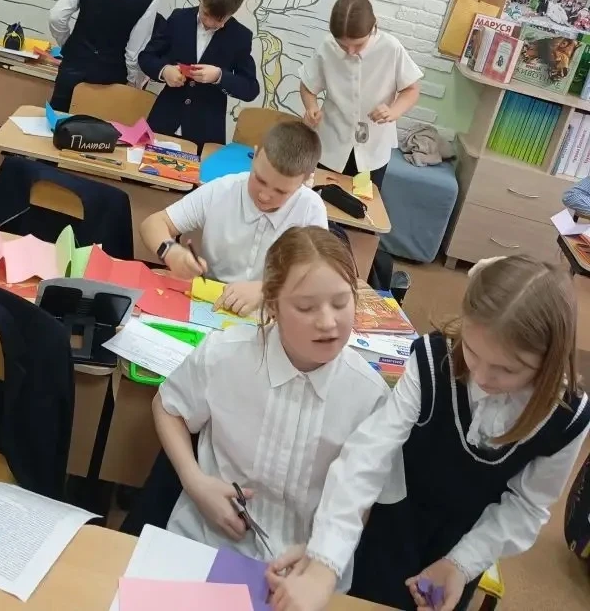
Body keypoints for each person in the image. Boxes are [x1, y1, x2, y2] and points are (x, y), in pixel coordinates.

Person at [267, 255, 590, 611]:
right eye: (472, 350)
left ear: (549, 360)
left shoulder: (568, 416)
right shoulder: (433, 362)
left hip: (464, 542)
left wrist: (460, 564)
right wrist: (324, 561)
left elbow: (526, 506)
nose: (482, 376)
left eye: (508, 369)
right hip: (392, 522)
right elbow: (367, 456)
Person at [153, 226, 404, 588]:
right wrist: (194, 481)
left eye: (341, 302)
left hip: (305, 571)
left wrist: (324, 556)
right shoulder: (226, 354)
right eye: (306, 307)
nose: (328, 322)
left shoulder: (370, 396)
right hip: (205, 542)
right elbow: (168, 406)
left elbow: (365, 498)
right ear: (272, 305)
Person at [140, 121, 328, 316]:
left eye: (281, 191)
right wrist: (172, 253)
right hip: (210, 304)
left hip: (271, 313)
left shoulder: (310, 208)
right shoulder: (223, 190)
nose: (264, 195)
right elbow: (153, 224)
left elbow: (320, 277)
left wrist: (268, 289)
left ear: (305, 181)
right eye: (260, 179)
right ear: (255, 155)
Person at [300, 0, 422, 189]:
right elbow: (308, 85)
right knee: (318, 198)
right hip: (330, 146)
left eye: (358, 44)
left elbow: (412, 89)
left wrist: (394, 111)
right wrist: (311, 107)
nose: (350, 51)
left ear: (374, 26)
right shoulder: (327, 47)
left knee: (362, 204)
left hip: (373, 151)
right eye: (342, 44)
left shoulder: (391, 48)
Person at [139, 0, 260, 147]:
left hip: (205, 131)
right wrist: (165, 71)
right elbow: (146, 57)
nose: (209, 23)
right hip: (163, 121)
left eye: (219, 20)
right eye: (206, 14)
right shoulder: (179, 19)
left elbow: (250, 89)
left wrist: (219, 76)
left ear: (233, 11)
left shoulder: (240, 37)